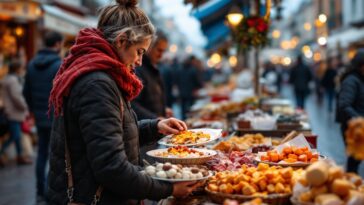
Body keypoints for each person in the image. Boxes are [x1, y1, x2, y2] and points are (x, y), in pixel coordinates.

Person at [47, 1, 201, 204]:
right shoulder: (97, 84)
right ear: (121, 41)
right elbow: (112, 167)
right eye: (139, 51)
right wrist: (168, 188)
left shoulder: (103, 75)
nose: (139, 61)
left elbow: (111, 133)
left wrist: (155, 126)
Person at [23, 31, 63, 202]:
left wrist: (33, 111)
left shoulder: (31, 65)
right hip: (55, 116)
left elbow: (26, 92)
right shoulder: (59, 65)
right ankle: (50, 192)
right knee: (56, 155)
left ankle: (40, 191)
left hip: (40, 117)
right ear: (58, 44)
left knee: (41, 154)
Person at [132, 30, 173, 120]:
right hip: (146, 130)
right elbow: (132, 105)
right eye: (159, 50)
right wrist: (156, 119)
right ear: (149, 47)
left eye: (163, 51)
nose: (161, 55)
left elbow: (152, 100)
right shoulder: (138, 69)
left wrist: (163, 110)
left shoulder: (153, 68)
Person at [337, 49, 364, 173]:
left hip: (359, 126)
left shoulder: (360, 79)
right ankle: (351, 185)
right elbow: (344, 104)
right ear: (360, 65)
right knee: (354, 159)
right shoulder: (351, 81)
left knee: (356, 159)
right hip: (353, 127)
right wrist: (358, 119)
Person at [0, 59, 32, 166]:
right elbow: (17, 97)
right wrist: (25, 107)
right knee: (15, 136)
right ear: (17, 69)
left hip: (11, 111)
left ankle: (20, 157)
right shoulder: (13, 80)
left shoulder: (7, 79)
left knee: (17, 136)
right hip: (14, 112)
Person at [175, 56, 203, 120]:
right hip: (191, 93)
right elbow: (197, 82)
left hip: (182, 93)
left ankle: (184, 122)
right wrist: (199, 87)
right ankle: (189, 122)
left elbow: (176, 81)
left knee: (183, 110)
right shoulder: (193, 70)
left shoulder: (179, 69)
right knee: (191, 110)